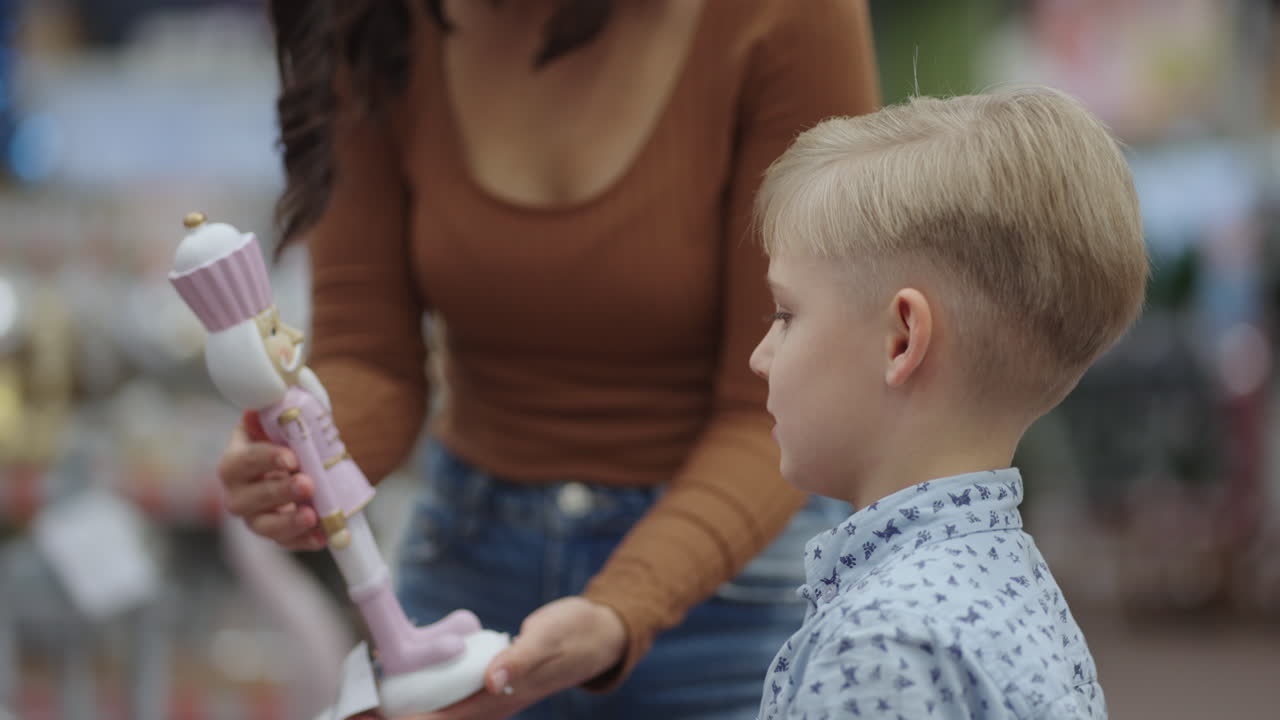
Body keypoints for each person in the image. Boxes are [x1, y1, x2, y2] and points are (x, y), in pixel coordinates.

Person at [215, 1, 879, 718]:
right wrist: (306, 461)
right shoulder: (377, 21)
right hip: (468, 565)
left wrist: (621, 609)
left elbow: (778, 404)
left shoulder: (786, 18)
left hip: (735, 591)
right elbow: (370, 357)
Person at [747, 87, 1147, 718]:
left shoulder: (881, 646)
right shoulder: (1014, 581)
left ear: (902, 338)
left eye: (786, 314)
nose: (760, 356)